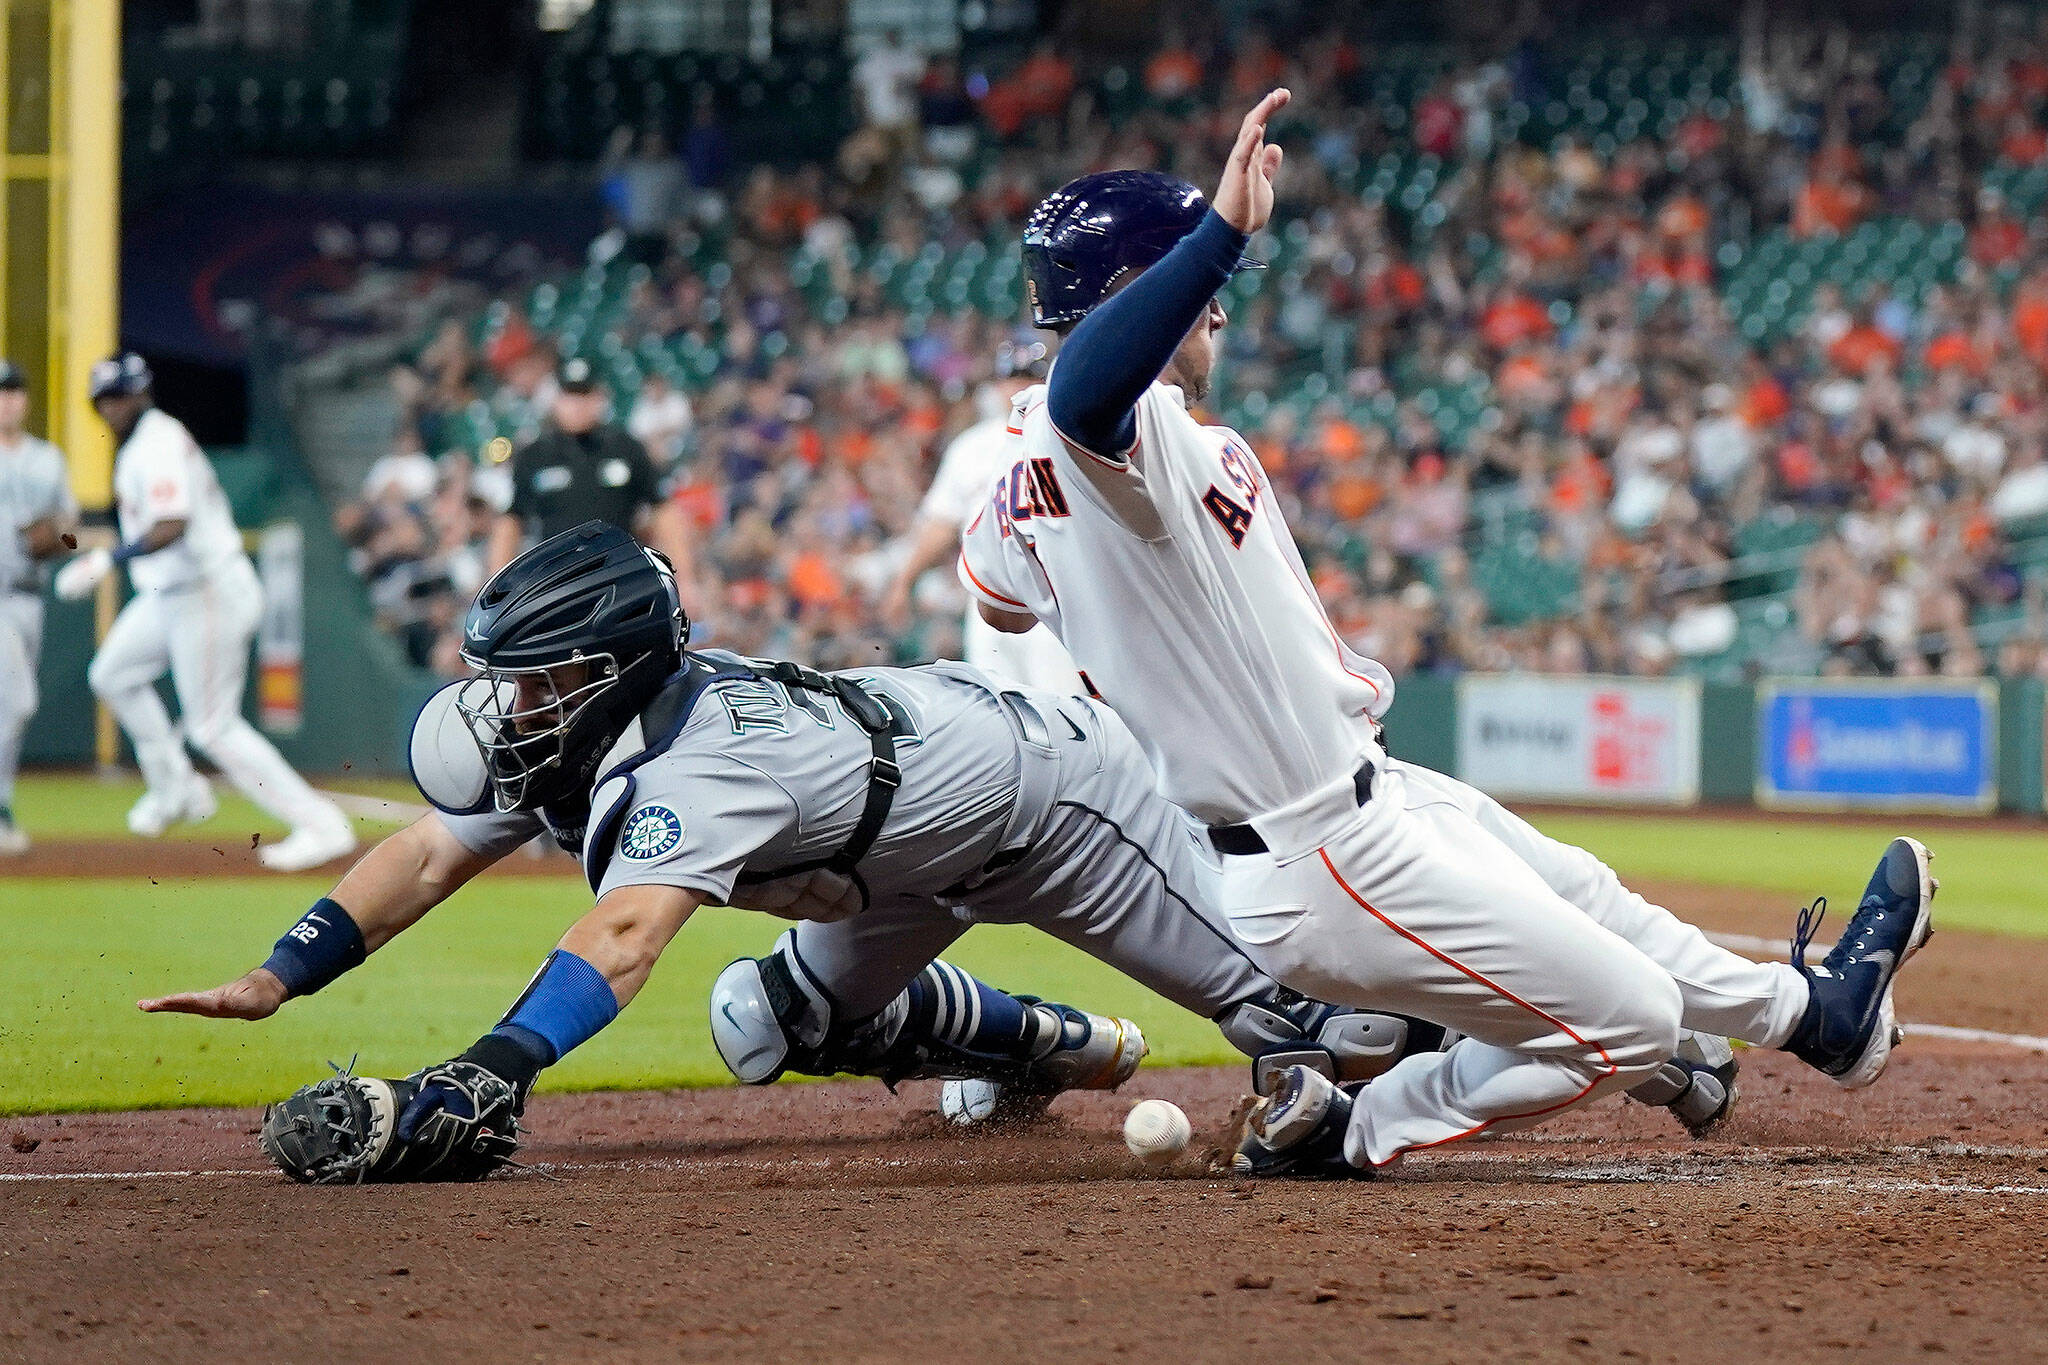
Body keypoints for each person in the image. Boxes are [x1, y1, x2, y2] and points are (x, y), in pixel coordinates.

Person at [959, 91, 1936, 1179]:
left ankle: (1821, 1015)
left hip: (1367, 792)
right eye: (1192, 284)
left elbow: (999, 591)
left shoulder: (1016, 478)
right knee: (1635, 1021)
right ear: (1134, 298)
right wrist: (1220, 236)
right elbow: (1084, 393)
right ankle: (1350, 1129)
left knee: (1591, 898)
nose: (1219, 309)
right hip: (1314, 850)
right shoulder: (1106, 434)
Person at [139, 521, 1438, 1182]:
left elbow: (624, 934)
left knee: (1332, 1027)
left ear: (608, 673)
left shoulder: (699, 762)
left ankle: (1525, 1005)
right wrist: (282, 972)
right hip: (901, 855)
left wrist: (491, 1074)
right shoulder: (576, 738)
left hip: (1050, 805)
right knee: (772, 1022)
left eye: (539, 682)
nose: (512, 705)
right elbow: (424, 854)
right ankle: (1051, 1044)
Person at [53, 353, 357, 873]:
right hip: (170, 594)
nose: (111, 407)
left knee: (212, 727)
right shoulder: (140, 445)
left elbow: (172, 522)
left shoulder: (159, 440)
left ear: (141, 393)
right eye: (104, 398)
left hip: (207, 589)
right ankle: (176, 787)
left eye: (120, 395)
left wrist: (108, 557)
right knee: (113, 674)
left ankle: (322, 826)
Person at [880, 340, 1081, 692]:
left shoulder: (1069, 438)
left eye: (1030, 377)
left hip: (1054, 598)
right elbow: (942, 522)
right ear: (998, 385)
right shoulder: (970, 447)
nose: (1020, 386)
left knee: (1063, 706)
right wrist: (904, 580)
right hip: (987, 600)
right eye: (1012, 377)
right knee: (998, 708)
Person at [487, 357, 673, 575]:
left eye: (584, 394)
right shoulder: (535, 455)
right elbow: (511, 521)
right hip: (558, 579)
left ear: (599, 397)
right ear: (557, 399)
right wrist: (496, 583)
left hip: (622, 573)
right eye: (570, 395)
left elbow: (664, 510)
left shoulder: (625, 447)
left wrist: (684, 576)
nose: (577, 405)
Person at [0, 360, 77, 854]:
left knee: (12, 708)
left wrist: (54, 539)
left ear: (25, 399)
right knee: (18, 701)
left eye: (13, 391)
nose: (7, 400)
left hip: (29, 597)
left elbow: (70, 533)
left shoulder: (48, 459)